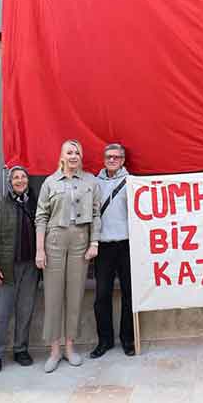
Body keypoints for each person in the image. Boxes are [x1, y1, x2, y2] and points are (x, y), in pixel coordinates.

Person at [35, 140, 102, 373]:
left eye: (77, 153)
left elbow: (96, 213)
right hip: (54, 239)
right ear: (62, 156)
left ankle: (70, 347)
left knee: (75, 295)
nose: (73, 156)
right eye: (69, 152)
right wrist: (40, 249)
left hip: (80, 241)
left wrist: (94, 242)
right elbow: (41, 216)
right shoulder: (50, 182)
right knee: (53, 295)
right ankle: (54, 349)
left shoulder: (91, 181)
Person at [0, 165, 41, 374]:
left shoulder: (34, 204)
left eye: (23, 177)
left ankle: (20, 349)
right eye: (16, 177)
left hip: (30, 267)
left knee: (25, 310)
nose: (20, 180)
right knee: (1, 312)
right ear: (10, 182)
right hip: (5, 268)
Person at [91, 143, 136, 358]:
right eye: (109, 156)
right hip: (103, 245)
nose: (112, 160)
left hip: (126, 244)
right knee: (102, 295)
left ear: (123, 160)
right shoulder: (94, 183)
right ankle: (105, 341)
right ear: (104, 159)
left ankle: (127, 339)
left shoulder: (131, 182)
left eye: (116, 157)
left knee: (129, 294)